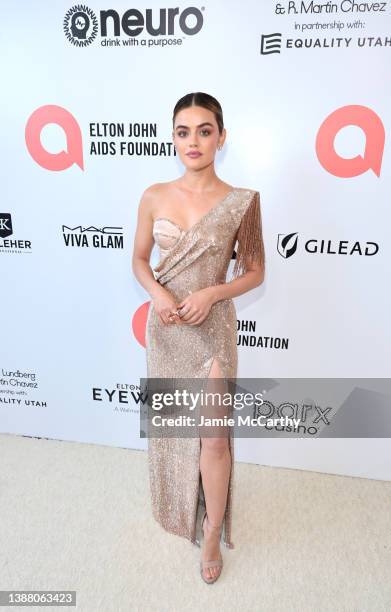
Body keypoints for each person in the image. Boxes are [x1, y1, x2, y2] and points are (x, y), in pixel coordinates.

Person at [132, 91, 265, 584]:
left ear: (221, 137)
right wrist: (157, 294)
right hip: (166, 329)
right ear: (173, 138)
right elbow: (140, 260)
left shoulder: (242, 203)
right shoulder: (153, 195)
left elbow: (255, 272)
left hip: (212, 331)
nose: (194, 141)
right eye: (183, 131)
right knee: (173, 429)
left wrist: (213, 292)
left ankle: (212, 530)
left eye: (204, 130)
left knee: (213, 438)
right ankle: (176, 504)